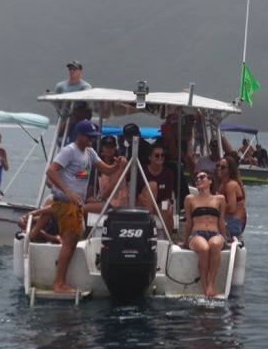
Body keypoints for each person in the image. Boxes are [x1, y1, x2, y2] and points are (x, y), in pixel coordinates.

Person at [44, 120, 125, 293]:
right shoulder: (69, 151)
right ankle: (58, 283)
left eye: (93, 137)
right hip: (66, 203)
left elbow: (108, 170)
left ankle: (61, 281)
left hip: (77, 205)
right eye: (89, 137)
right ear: (79, 135)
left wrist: (117, 165)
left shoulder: (90, 153)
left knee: (72, 241)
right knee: (68, 242)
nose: (92, 140)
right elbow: (51, 171)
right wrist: (66, 191)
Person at [183, 169, 230, 298]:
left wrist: (225, 239)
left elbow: (221, 221)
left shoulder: (220, 199)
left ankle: (211, 283)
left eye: (202, 177)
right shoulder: (190, 199)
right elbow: (188, 223)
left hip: (215, 233)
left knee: (214, 245)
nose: (198, 180)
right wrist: (185, 241)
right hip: (196, 234)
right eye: (196, 179)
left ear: (210, 181)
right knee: (204, 248)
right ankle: (205, 287)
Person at [143, 143, 178, 235]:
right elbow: (135, 192)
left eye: (162, 155)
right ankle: (149, 229)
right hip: (142, 201)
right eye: (157, 155)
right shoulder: (142, 170)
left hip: (159, 203)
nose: (160, 157)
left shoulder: (168, 173)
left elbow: (167, 195)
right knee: (153, 185)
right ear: (150, 157)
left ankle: (168, 241)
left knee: (168, 211)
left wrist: (166, 208)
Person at [214, 154, 246, 238]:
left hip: (232, 223)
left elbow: (232, 208)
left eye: (223, 167)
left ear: (230, 170)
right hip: (227, 221)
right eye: (218, 166)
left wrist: (217, 201)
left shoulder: (231, 185)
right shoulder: (222, 185)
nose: (219, 169)